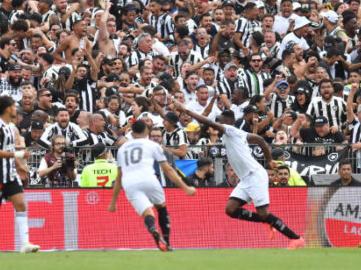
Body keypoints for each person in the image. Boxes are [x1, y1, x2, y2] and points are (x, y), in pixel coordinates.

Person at [175, 101, 304, 248]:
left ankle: (296, 238)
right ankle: (268, 220)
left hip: (255, 175)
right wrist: (269, 161)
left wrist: (187, 111)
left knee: (263, 212)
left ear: (227, 122)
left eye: (220, 121)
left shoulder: (229, 129)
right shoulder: (239, 133)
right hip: (246, 179)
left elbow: (208, 121)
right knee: (231, 210)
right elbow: (260, 140)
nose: (217, 124)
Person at [108, 120, 196, 251]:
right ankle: (166, 241)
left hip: (130, 183)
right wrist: (185, 187)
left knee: (147, 212)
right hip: (149, 178)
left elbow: (119, 177)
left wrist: (113, 201)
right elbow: (168, 169)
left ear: (132, 132)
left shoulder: (123, 149)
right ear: (147, 132)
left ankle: (152, 228)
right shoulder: (152, 145)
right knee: (161, 208)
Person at [0, 96, 39, 254]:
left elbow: (10, 150)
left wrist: (20, 166)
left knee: (21, 204)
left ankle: (25, 243)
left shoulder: (10, 128)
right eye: (13, 106)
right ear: (7, 109)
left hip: (11, 174)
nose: (16, 109)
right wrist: (19, 156)